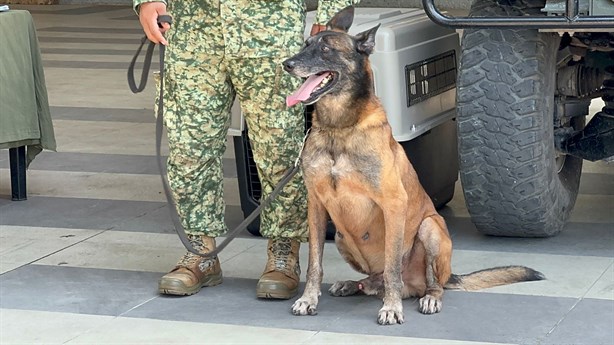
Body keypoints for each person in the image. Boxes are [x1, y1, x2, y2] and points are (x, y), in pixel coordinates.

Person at [134, 0, 361, 299]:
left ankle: (284, 252)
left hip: (268, 26)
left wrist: (331, 12)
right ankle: (200, 251)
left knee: (280, 147)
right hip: (193, 28)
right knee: (189, 144)